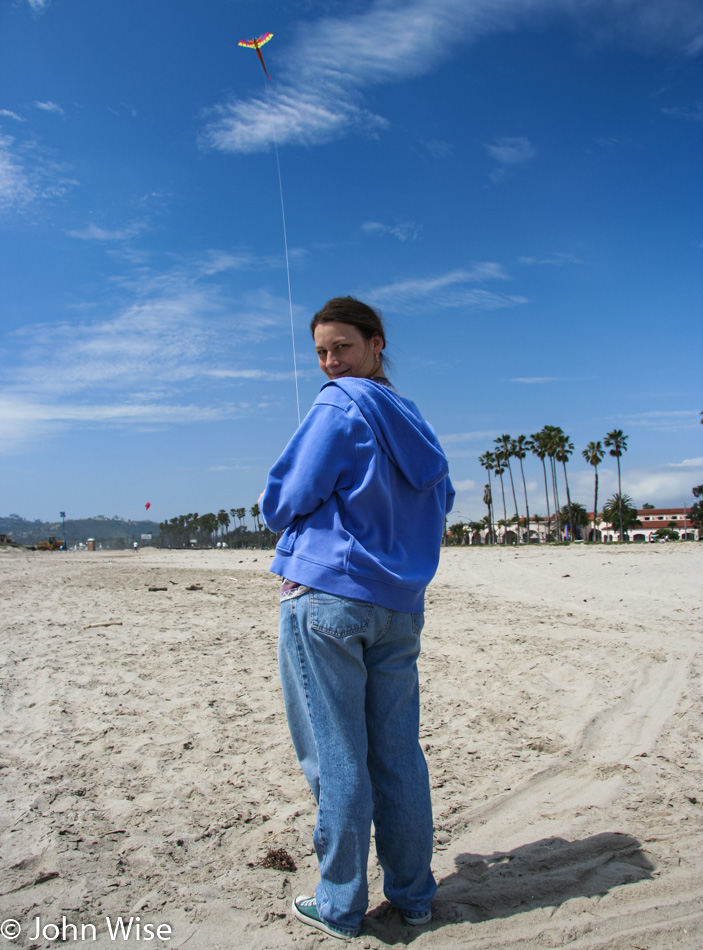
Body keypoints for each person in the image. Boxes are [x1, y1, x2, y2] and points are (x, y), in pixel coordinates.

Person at [261, 296, 454, 940]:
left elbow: (283, 496)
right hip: (398, 604)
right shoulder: (412, 416)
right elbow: (441, 495)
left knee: (337, 753)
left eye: (342, 346)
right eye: (320, 351)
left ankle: (341, 903)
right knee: (397, 751)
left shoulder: (339, 403)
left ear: (376, 345)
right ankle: (413, 894)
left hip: (328, 598)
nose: (330, 362)